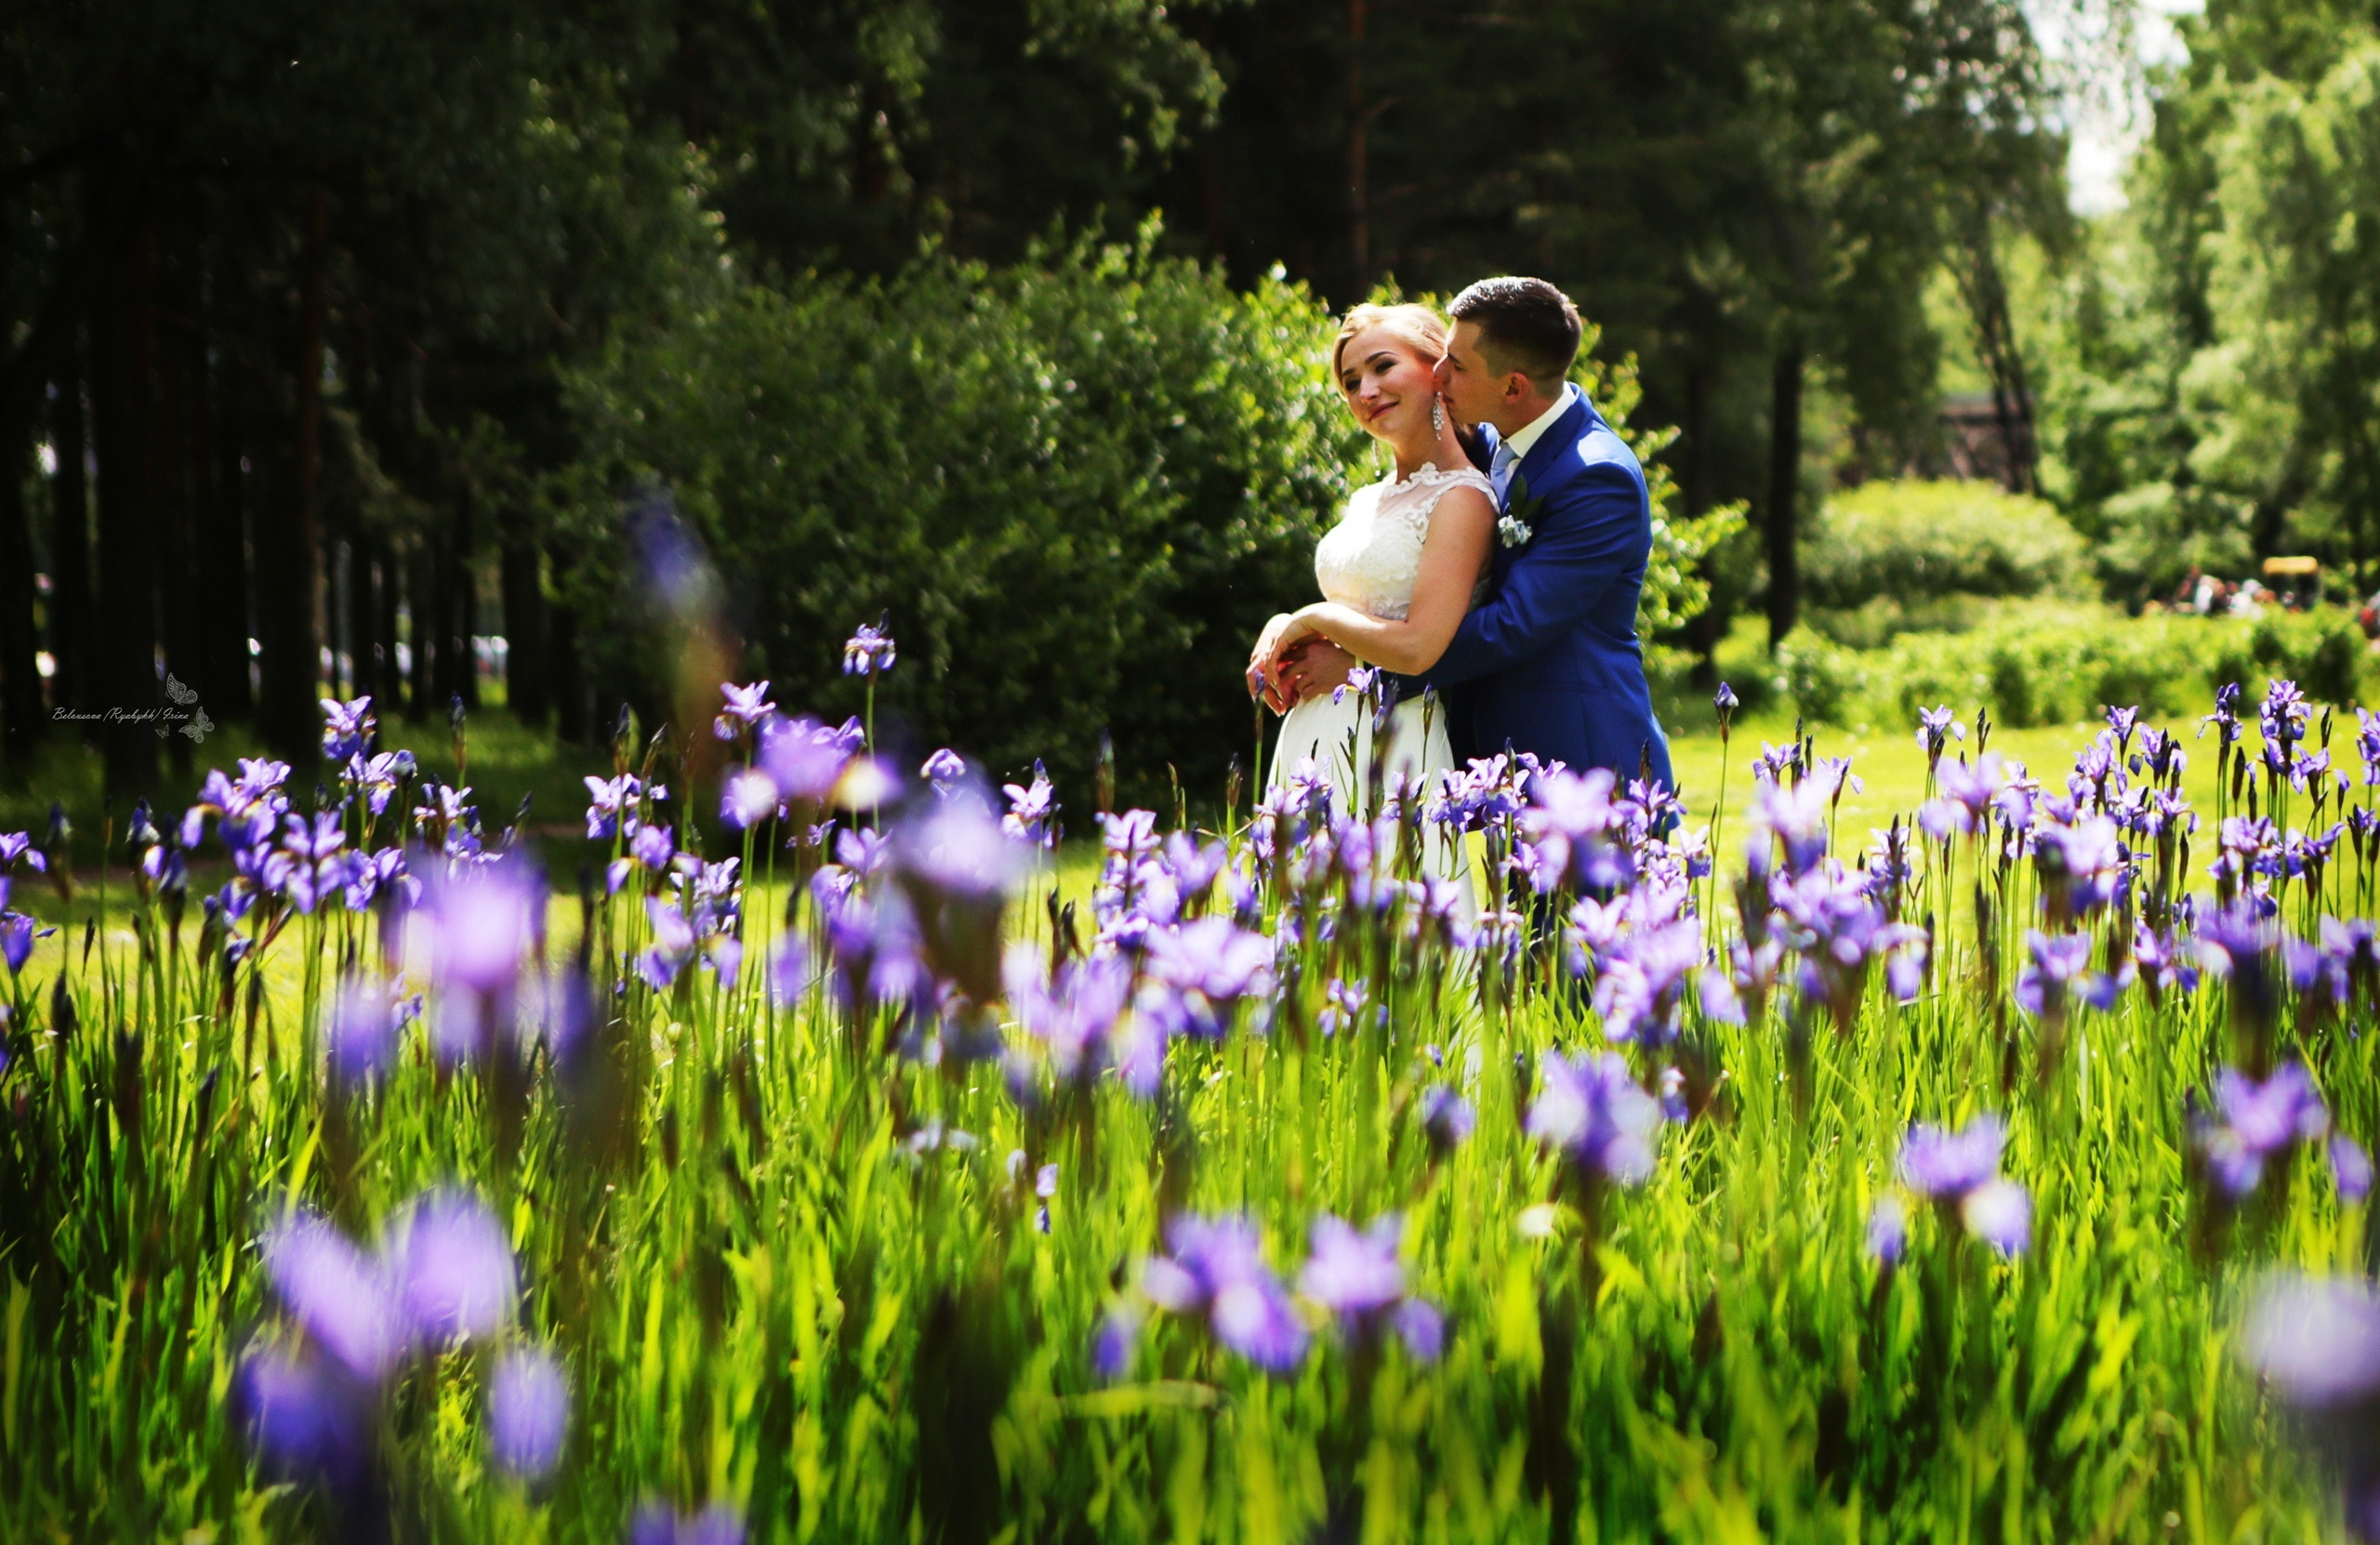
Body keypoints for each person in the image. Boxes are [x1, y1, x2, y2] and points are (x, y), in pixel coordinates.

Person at [1256, 276, 1674, 797]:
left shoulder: (1597, 476)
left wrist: (1364, 670)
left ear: (1514, 386)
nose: (1438, 373)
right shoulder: (1490, 441)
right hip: (1485, 757)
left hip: (1584, 759)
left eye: (1455, 365)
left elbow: (1510, 625)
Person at [1246, 301, 1495, 901]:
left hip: (1392, 741)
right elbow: (1360, 601)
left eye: (1383, 366)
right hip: (1313, 735)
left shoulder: (1463, 500)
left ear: (1437, 367)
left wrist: (1310, 619)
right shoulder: (1368, 499)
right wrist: (1284, 626)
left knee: (1392, 936)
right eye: (1351, 381)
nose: (1366, 389)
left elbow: (1418, 644)